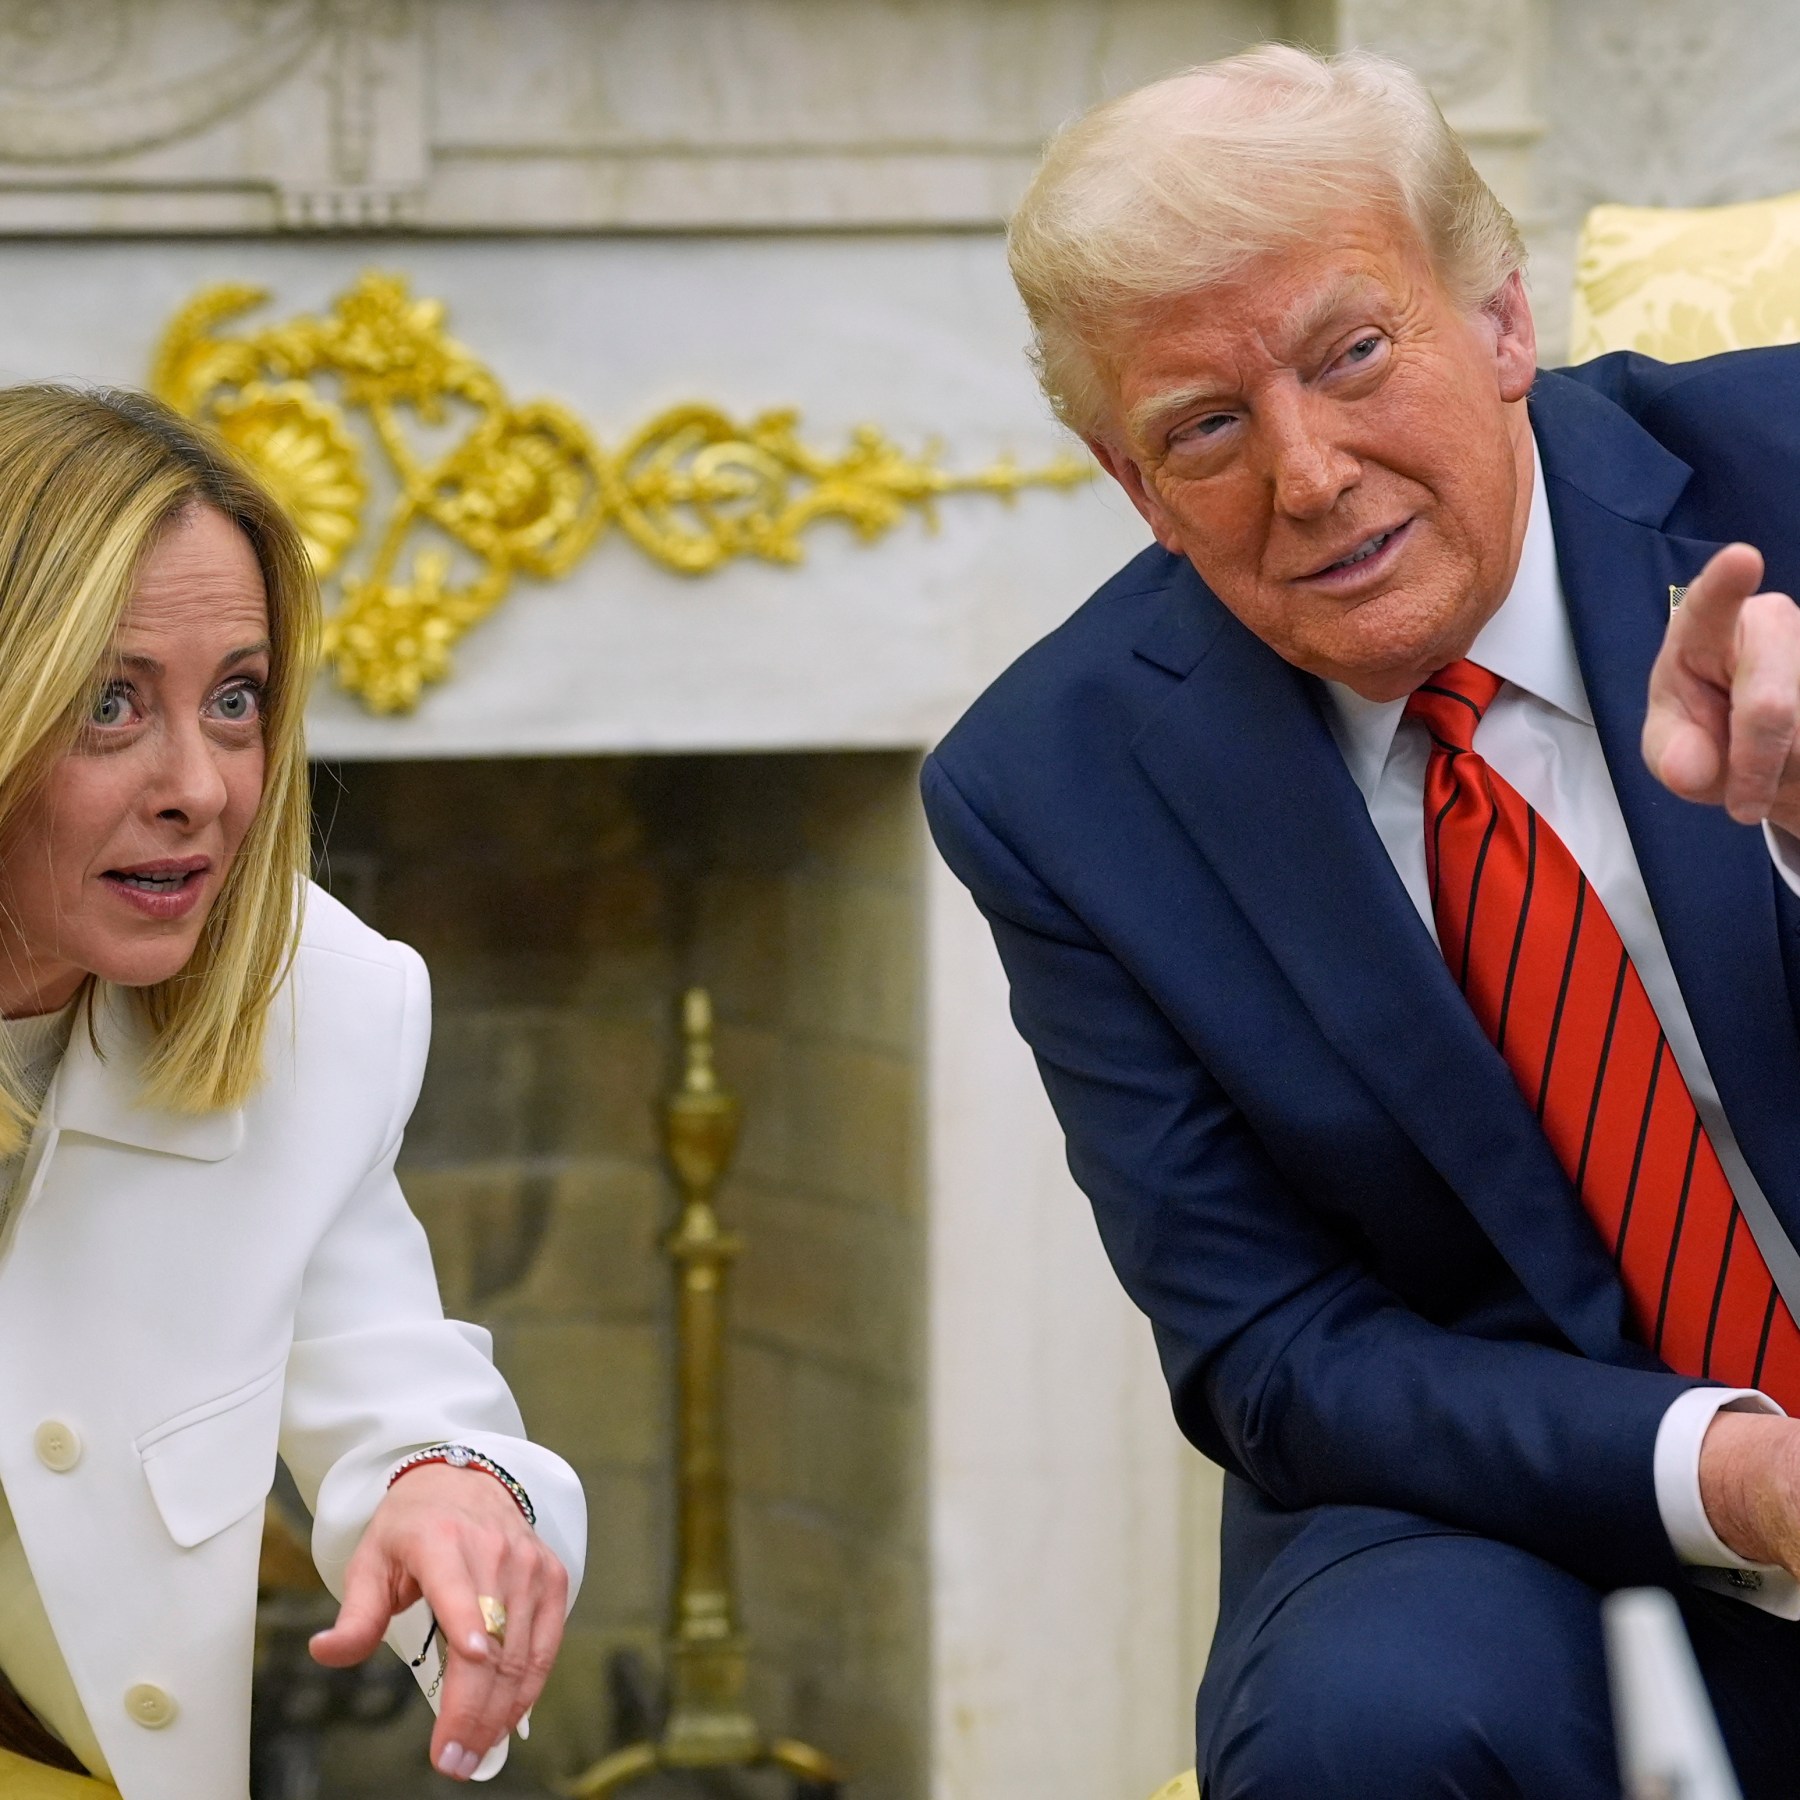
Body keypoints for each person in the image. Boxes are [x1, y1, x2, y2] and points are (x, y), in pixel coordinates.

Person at [922, 44, 1800, 1800]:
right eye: (1206, 428)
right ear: (1133, 485)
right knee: (1363, 1721)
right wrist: (1735, 1475)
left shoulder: (1780, 483)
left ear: (1502, 320)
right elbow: (1270, 1345)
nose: (1309, 475)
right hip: (1544, 1502)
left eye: (1354, 354)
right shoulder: (1057, 787)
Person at [0, 384, 584, 1800]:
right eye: (111, 703)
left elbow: (393, 1387)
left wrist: (450, 1492)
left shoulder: (317, 1000)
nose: (201, 788)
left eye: (237, 700)